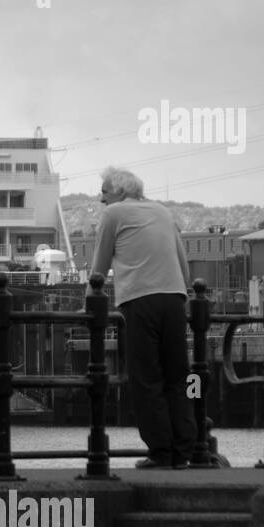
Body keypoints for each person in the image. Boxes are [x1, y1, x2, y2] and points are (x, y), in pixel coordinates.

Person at [91, 166, 195, 469]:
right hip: (175, 299)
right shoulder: (162, 212)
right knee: (179, 375)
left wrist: (89, 303)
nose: (100, 199)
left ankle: (161, 452)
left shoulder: (113, 215)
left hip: (140, 301)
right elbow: (184, 265)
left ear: (119, 193)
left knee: (146, 378)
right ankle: (184, 449)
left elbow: (99, 268)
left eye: (104, 192)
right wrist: (180, 293)